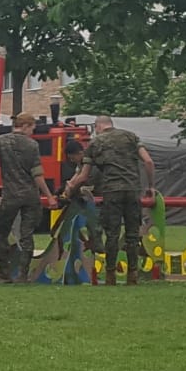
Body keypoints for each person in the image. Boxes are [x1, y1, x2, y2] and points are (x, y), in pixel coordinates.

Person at [64, 115, 156, 286]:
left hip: (111, 191)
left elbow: (83, 175)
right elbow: (148, 162)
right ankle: (132, 275)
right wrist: (150, 187)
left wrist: (70, 188)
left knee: (112, 235)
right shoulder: (131, 137)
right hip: (132, 190)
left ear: (98, 126)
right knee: (132, 234)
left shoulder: (95, 143)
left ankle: (110, 275)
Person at [0, 112, 56, 283]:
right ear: (26, 126)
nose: (33, 132)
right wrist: (49, 196)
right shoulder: (32, 145)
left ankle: (4, 271)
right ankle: (23, 274)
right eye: (32, 128)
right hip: (30, 196)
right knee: (26, 235)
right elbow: (37, 175)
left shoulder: (1, 141)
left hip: (11, 195)